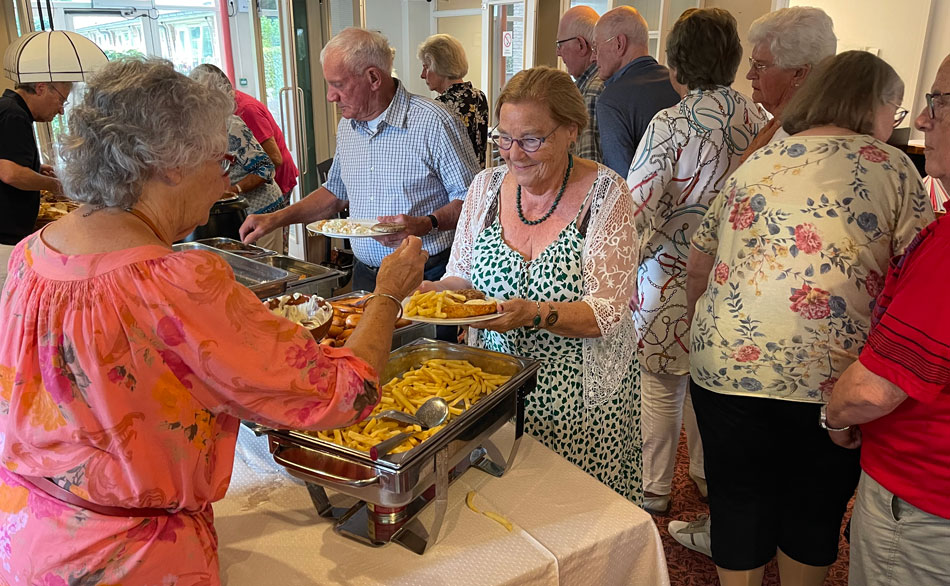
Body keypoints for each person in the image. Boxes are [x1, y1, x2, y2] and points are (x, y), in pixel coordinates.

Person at [0, 58, 427, 583]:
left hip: (29, 534)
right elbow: (345, 393)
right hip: (130, 559)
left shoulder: (29, 255)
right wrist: (386, 294)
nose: (225, 180)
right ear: (169, 165)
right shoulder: (176, 281)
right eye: (220, 160)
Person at [679, 51, 933, 585]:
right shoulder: (892, 166)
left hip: (724, 364)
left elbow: (699, 264)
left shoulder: (760, 158)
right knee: (812, 505)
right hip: (832, 376)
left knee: (738, 500)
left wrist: (709, 329)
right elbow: (919, 273)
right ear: (876, 105)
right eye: (897, 107)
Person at [419, 66, 642, 502]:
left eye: (531, 140)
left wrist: (534, 313)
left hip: (581, 399)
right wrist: (430, 292)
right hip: (498, 387)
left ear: (570, 131)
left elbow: (606, 313)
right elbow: (461, 275)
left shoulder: (606, 194)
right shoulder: (484, 188)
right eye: (503, 138)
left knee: (575, 513)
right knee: (504, 506)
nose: (514, 154)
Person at [627, 7, 768, 516]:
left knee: (661, 384)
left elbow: (636, 207)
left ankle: (654, 488)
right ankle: (707, 477)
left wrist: (617, 268)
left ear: (676, 64)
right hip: (738, 280)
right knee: (712, 385)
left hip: (670, 273)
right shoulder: (762, 121)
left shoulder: (673, 123)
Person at [826, 55, 950, 586]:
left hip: (922, 501)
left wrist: (834, 417)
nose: (922, 121)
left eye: (938, 103)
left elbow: (874, 392)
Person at [240, 27, 479, 294]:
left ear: (374, 77)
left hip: (426, 276)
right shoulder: (348, 126)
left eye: (338, 85)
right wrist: (274, 219)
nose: (331, 96)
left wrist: (426, 223)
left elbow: (472, 201)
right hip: (365, 273)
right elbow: (335, 194)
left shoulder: (435, 121)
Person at [191, 64, 286, 250]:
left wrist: (234, 189)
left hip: (262, 210)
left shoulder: (231, 125)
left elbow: (266, 168)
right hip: (235, 215)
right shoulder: (197, 128)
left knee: (266, 269)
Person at [738, 6, 836, 163]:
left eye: (760, 66)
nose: (750, 75)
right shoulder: (780, 123)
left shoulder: (797, 141)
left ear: (799, 73)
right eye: (752, 63)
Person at [592, 5, 679, 177]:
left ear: (619, 44)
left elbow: (621, 184)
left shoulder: (611, 101)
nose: (593, 56)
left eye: (596, 48)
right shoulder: (677, 83)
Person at [0, 76, 68, 284]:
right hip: (4, 236)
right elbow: (10, 174)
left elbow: (6, 161)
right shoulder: (14, 115)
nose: (61, 110)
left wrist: (33, 167)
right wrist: (56, 185)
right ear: (41, 88)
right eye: (61, 100)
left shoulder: (7, 108)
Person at [417, 34, 488, 168]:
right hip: (479, 183)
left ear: (439, 66)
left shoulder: (440, 106)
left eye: (426, 67)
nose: (422, 75)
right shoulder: (479, 96)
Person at [556, 5, 604, 163]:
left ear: (581, 45)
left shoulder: (591, 92)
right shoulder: (601, 84)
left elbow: (589, 166)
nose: (558, 52)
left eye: (560, 44)